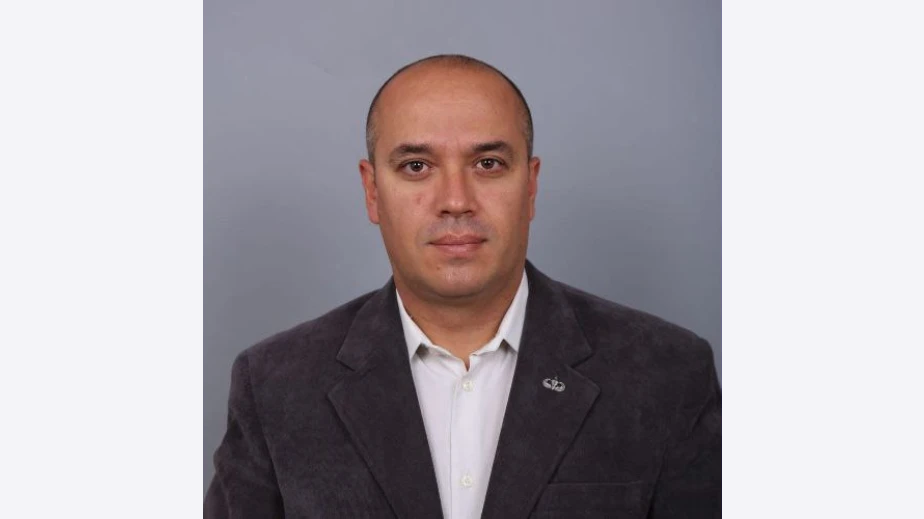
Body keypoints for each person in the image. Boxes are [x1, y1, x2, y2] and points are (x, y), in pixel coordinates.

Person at [204, 54, 721, 519]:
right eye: (416, 166)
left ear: (531, 185)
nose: (455, 200)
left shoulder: (667, 375)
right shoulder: (274, 386)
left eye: (488, 164)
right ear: (372, 191)